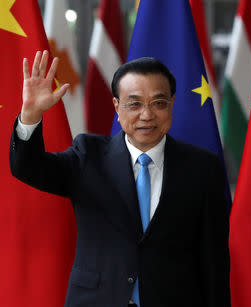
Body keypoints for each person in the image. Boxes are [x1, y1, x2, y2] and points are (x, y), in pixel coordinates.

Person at [10, 50, 230, 307]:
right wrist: (31, 116)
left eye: (158, 103)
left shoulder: (202, 167)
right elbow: (28, 167)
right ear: (116, 107)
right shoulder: (88, 156)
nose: (146, 115)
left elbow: (214, 261)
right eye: (134, 104)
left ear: (171, 103)